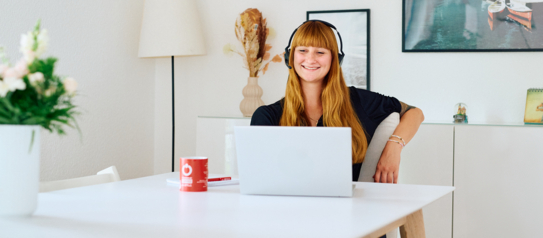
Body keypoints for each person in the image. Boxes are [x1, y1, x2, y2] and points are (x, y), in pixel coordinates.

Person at [251, 20, 424, 185]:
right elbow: (260, 178)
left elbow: (415, 113)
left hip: (349, 210)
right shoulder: (267, 116)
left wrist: (394, 148)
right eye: (302, 50)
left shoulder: (358, 101)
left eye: (320, 52)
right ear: (290, 57)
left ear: (335, 59)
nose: (310, 59)